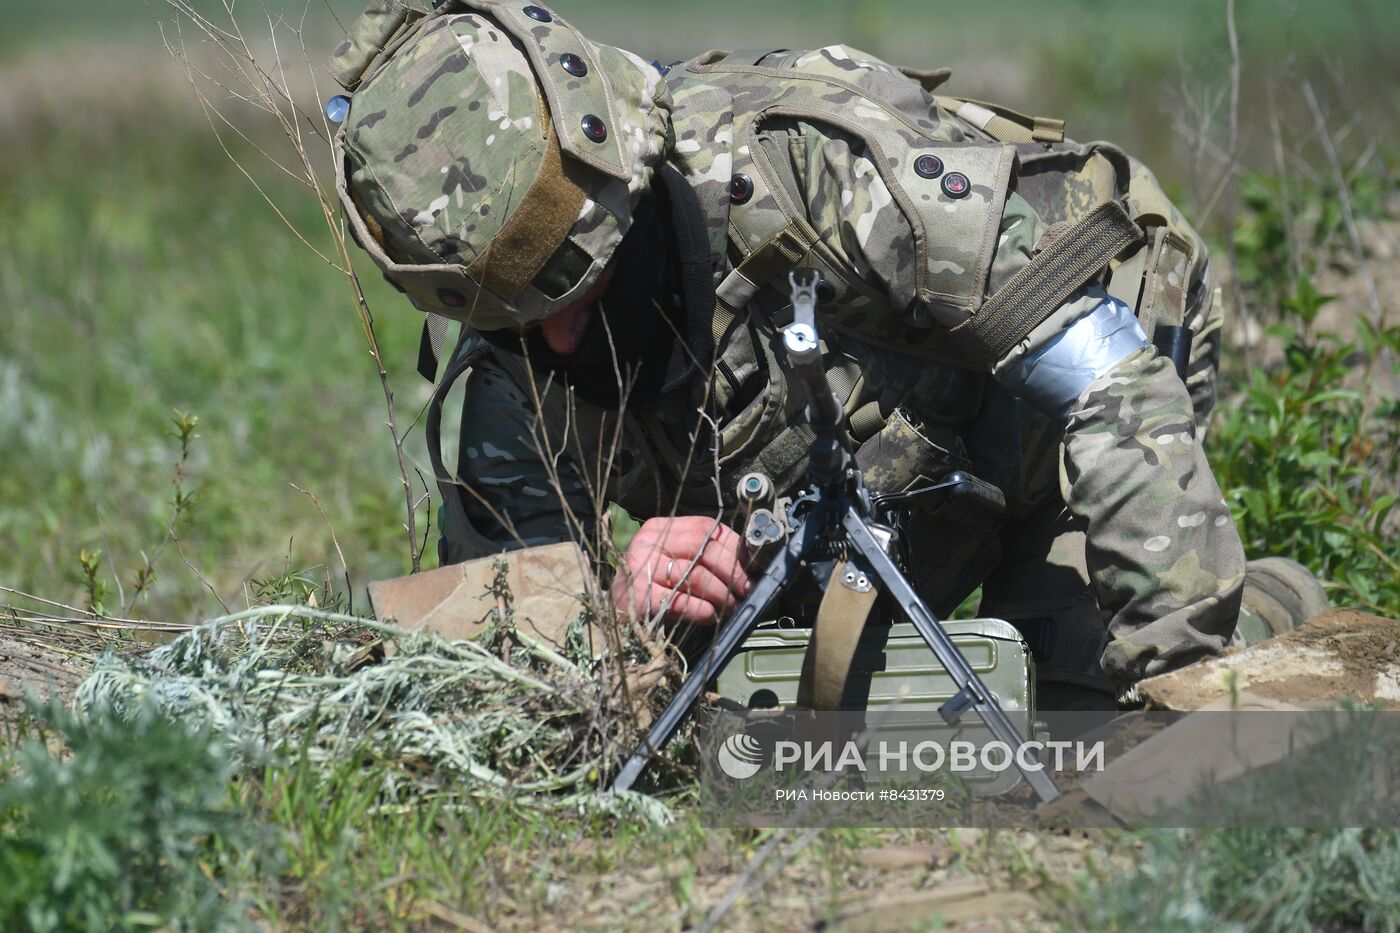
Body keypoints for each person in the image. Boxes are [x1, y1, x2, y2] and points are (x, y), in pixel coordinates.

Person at [326, 1, 1318, 709]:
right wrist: (619, 608)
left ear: (622, 183)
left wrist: (1179, 676)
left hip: (1070, 384)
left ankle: (1274, 605)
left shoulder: (813, 172)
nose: (554, 340)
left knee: (1070, 710)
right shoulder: (512, 329)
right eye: (514, 318)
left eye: (579, 284)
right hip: (861, 481)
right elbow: (502, 655)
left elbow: (1108, 381)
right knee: (788, 713)